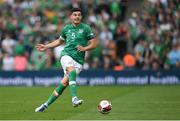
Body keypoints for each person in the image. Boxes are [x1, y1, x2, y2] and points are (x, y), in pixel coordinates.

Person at [35, 7, 97, 112]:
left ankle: (45, 105)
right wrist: (46, 46)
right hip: (66, 55)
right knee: (71, 71)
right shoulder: (66, 28)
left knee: (63, 84)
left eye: (79, 15)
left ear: (81, 17)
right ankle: (74, 98)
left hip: (79, 61)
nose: (77, 16)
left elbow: (94, 44)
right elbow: (59, 41)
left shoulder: (86, 28)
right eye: (75, 14)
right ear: (71, 17)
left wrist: (84, 48)